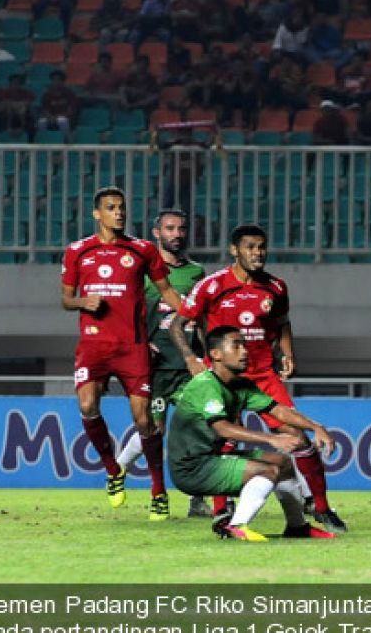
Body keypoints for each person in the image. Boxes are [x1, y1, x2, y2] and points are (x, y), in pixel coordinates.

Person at [171, 225, 346, 533]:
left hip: (263, 373)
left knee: (298, 437)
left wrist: (288, 353)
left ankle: (321, 507)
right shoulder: (212, 285)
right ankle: (222, 511)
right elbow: (177, 324)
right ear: (235, 251)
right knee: (221, 440)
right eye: (250, 247)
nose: (258, 253)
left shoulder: (276, 287)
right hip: (226, 378)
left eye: (261, 247)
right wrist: (191, 359)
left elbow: (282, 323)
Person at [60, 186, 182, 519]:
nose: (119, 213)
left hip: (133, 347)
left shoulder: (142, 250)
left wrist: (193, 313)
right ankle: (114, 470)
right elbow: (66, 299)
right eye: (111, 208)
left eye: (122, 207)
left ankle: (158, 490)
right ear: (97, 214)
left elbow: (166, 290)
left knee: (144, 420)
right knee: (87, 405)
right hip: (94, 345)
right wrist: (83, 302)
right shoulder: (77, 251)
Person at [168, 326, 336, 542]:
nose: (245, 351)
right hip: (192, 467)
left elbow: (278, 410)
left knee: (283, 463)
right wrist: (271, 438)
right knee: (268, 471)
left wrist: (316, 427)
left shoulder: (241, 385)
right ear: (215, 354)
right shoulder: (205, 385)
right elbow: (222, 428)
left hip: (212, 458)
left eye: (244, 345)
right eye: (236, 345)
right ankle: (236, 526)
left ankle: (298, 527)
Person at [113, 209, 207, 519]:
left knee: (201, 427)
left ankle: (198, 501)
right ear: (157, 233)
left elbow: (202, 318)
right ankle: (119, 467)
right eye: (170, 228)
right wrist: (138, 341)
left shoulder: (196, 272)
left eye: (181, 228)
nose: (176, 234)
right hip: (152, 367)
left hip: (186, 366)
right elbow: (124, 309)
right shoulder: (141, 271)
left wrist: (204, 356)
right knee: (153, 430)